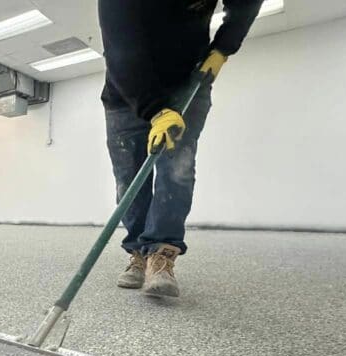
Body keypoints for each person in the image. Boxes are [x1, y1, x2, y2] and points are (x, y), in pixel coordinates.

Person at [99, 0, 264, 297]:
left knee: (177, 170)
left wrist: (224, 47)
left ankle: (161, 254)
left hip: (188, 83)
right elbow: (121, 50)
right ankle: (138, 252)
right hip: (126, 94)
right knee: (129, 180)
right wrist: (155, 110)